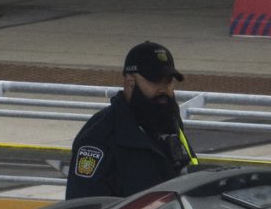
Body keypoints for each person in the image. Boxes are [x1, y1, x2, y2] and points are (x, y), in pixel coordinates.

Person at [65, 41, 195, 200]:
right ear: (130, 81)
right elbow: (82, 208)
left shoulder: (169, 123)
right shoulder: (99, 137)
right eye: (155, 80)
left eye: (168, 81)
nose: (163, 89)